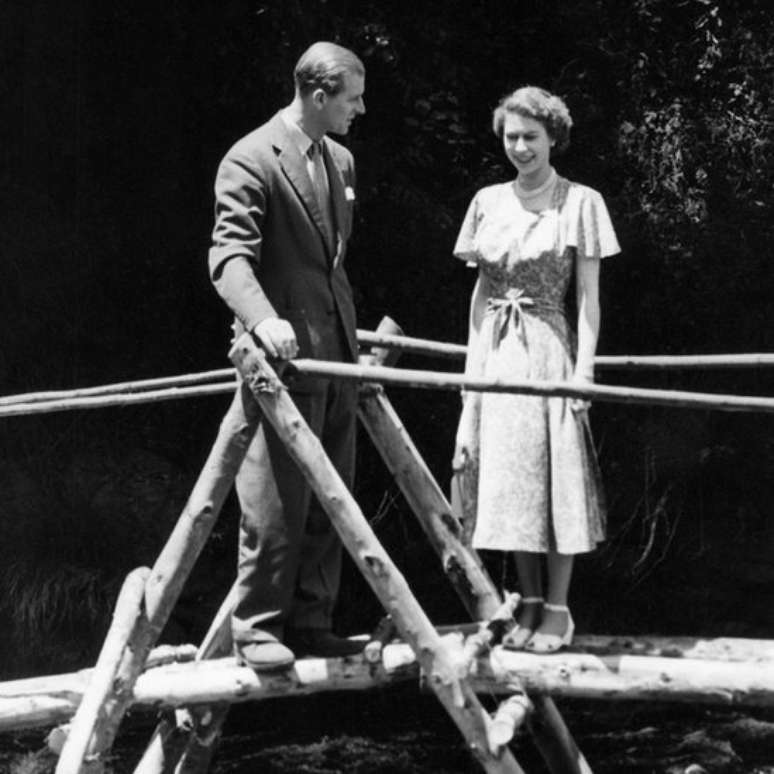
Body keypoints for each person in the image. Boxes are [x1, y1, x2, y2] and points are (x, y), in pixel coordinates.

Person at [208, 42, 366, 671]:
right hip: (279, 359)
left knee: (334, 496)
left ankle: (313, 617)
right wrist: (264, 319)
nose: (360, 109)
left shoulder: (344, 160)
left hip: (338, 354)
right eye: (352, 97)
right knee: (275, 502)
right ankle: (257, 627)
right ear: (319, 96)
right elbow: (228, 258)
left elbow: (331, 261)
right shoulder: (250, 158)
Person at [453, 86, 620, 653]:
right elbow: (481, 294)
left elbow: (589, 301)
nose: (521, 147)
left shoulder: (581, 202)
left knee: (556, 480)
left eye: (531, 137)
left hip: (550, 348)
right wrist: (472, 374)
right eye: (511, 137)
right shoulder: (486, 201)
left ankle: (557, 607)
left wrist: (585, 372)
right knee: (510, 480)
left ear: (553, 138)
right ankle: (524, 601)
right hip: (499, 354)